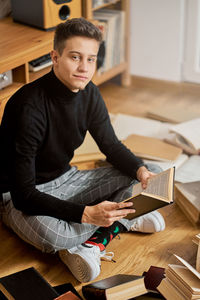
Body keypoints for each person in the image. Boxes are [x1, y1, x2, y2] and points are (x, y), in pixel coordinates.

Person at [0, 18, 165, 283]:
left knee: (153, 172)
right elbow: (23, 195)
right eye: (75, 57)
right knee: (55, 236)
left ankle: (92, 244)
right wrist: (87, 213)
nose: (84, 68)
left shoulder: (90, 94)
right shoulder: (27, 108)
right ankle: (122, 220)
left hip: (68, 178)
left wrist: (141, 171)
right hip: (17, 196)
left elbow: (110, 146)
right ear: (55, 56)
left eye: (91, 59)